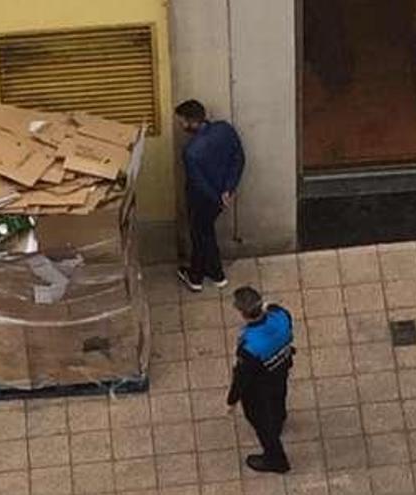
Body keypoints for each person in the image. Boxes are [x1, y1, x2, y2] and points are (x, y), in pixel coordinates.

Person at [175, 99, 245, 292]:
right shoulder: (225, 129)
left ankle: (204, 277)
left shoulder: (190, 152)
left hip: (202, 200)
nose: (181, 126)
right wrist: (228, 191)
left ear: (191, 122)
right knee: (205, 234)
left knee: (200, 235)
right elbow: (238, 158)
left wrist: (217, 198)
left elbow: (199, 183)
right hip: (222, 194)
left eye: (181, 121)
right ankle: (206, 274)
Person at [226, 286, 294, 473]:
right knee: (278, 397)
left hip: (260, 386)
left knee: (262, 424)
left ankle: (276, 460)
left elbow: (242, 376)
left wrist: (232, 400)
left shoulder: (249, 345)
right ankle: (279, 420)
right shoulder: (281, 315)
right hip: (281, 369)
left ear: (242, 313)